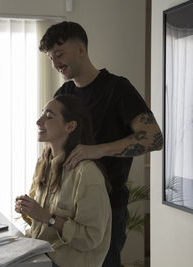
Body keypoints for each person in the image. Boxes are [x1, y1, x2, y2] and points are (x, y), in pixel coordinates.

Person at [38, 21, 163, 267]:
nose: (56, 64)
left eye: (60, 55)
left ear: (81, 49)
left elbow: (154, 138)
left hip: (107, 208)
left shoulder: (118, 88)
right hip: (65, 209)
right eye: (52, 58)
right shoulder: (63, 93)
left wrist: (98, 150)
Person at [15, 94, 112, 267]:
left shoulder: (86, 173)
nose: (38, 121)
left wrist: (47, 217)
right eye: (42, 114)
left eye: (48, 116)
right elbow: (37, 220)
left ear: (70, 126)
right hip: (41, 252)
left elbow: (91, 238)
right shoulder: (43, 162)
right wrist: (27, 209)